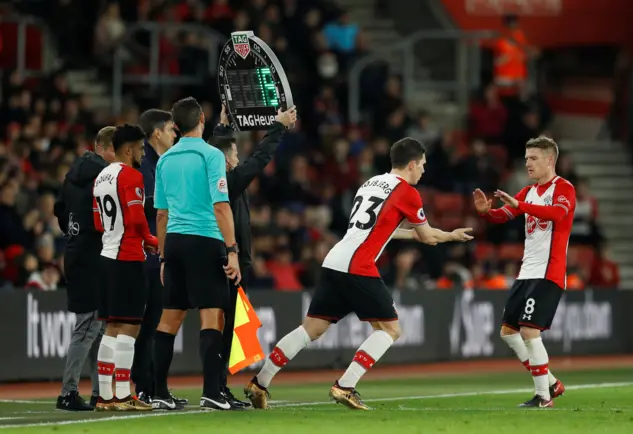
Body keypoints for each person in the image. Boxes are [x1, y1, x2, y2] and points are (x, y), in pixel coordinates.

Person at [244, 137, 474, 410]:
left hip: (334, 260)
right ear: (412, 164)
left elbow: (382, 229)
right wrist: (450, 236)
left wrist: (434, 234)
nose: (423, 171)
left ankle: (259, 382)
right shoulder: (407, 192)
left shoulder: (370, 184)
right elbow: (425, 236)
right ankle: (345, 386)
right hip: (358, 265)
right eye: (422, 165)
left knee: (311, 329)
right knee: (390, 329)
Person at [151, 97, 241, 411]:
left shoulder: (164, 160)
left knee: (169, 319)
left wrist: (163, 256)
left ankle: (158, 392)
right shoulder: (211, 155)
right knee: (213, 315)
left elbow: (161, 214)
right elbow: (220, 205)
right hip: (205, 240)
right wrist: (232, 250)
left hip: (174, 241)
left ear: (174, 126)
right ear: (202, 118)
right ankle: (211, 392)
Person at [472, 135, 575, 408]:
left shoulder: (564, 188)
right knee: (508, 331)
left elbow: (557, 215)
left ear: (550, 160)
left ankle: (543, 397)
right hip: (527, 271)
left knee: (530, 331)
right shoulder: (528, 191)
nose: (527, 163)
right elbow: (504, 214)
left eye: (533, 158)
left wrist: (521, 206)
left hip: (549, 272)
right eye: (526, 158)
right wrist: (486, 212)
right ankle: (552, 383)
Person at [209, 105, 297, 408]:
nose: (237, 158)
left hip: (229, 262)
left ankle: (217, 388)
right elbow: (260, 159)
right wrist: (279, 127)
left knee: (224, 329)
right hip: (225, 264)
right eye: (233, 153)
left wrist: (222, 127)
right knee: (220, 328)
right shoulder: (229, 182)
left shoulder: (221, 178)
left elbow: (217, 149)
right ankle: (215, 390)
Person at [92, 124, 158, 411]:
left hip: (106, 254)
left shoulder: (101, 177)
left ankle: (106, 397)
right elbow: (135, 217)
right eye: (141, 148)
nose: (143, 153)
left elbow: (98, 223)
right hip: (128, 257)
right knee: (130, 327)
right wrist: (151, 240)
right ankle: (121, 394)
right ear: (128, 150)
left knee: (111, 327)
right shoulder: (132, 175)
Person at [54, 127, 116, 411]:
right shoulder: (104, 177)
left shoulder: (71, 176)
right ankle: (68, 392)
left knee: (97, 327)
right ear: (106, 148)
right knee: (89, 326)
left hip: (76, 254)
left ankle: (99, 392)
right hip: (92, 257)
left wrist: (73, 234)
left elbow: (59, 211)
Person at [130, 109, 187, 406]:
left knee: (155, 326)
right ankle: (144, 388)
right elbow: (148, 206)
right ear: (156, 133)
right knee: (147, 326)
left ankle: (154, 387)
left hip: (158, 257)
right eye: (170, 130)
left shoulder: (160, 163)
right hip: (146, 258)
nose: (174, 134)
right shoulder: (146, 165)